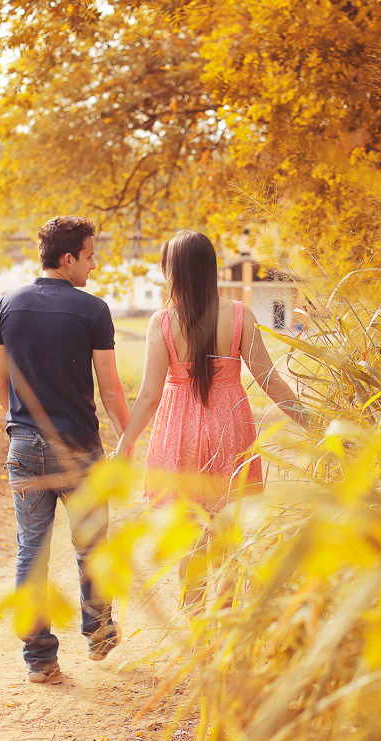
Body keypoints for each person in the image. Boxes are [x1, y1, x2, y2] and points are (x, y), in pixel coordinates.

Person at [109, 230, 311, 606]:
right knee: (228, 531)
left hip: (178, 431)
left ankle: (196, 624)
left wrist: (125, 442)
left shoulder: (163, 322)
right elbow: (269, 379)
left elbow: (150, 395)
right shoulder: (239, 315)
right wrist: (312, 422)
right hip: (228, 429)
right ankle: (224, 620)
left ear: (176, 272)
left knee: (189, 537)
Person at [0, 215, 130, 684]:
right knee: (92, 544)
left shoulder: (7, 304)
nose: (94, 263)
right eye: (90, 255)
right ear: (68, 258)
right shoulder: (93, 310)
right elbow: (110, 390)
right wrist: (128, 441)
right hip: (80, 450)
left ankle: (39, 660)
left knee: (32, 549)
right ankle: (98, 628)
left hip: (25, 446)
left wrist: (22, 423)